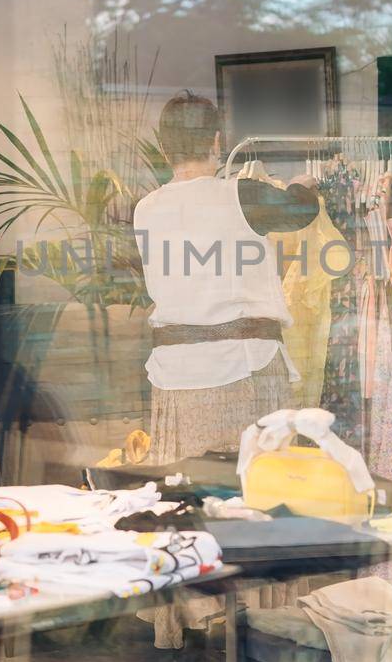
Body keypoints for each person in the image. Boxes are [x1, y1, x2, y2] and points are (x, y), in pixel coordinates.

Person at [134, 92, 320, 464]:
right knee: (263, 486)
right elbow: (300, 212)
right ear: (217, 141)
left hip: (176, 373)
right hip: (245, 364)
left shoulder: (145, 209)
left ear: (163, 147)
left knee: (184, 490)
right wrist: (302, 185)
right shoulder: (243, 194)